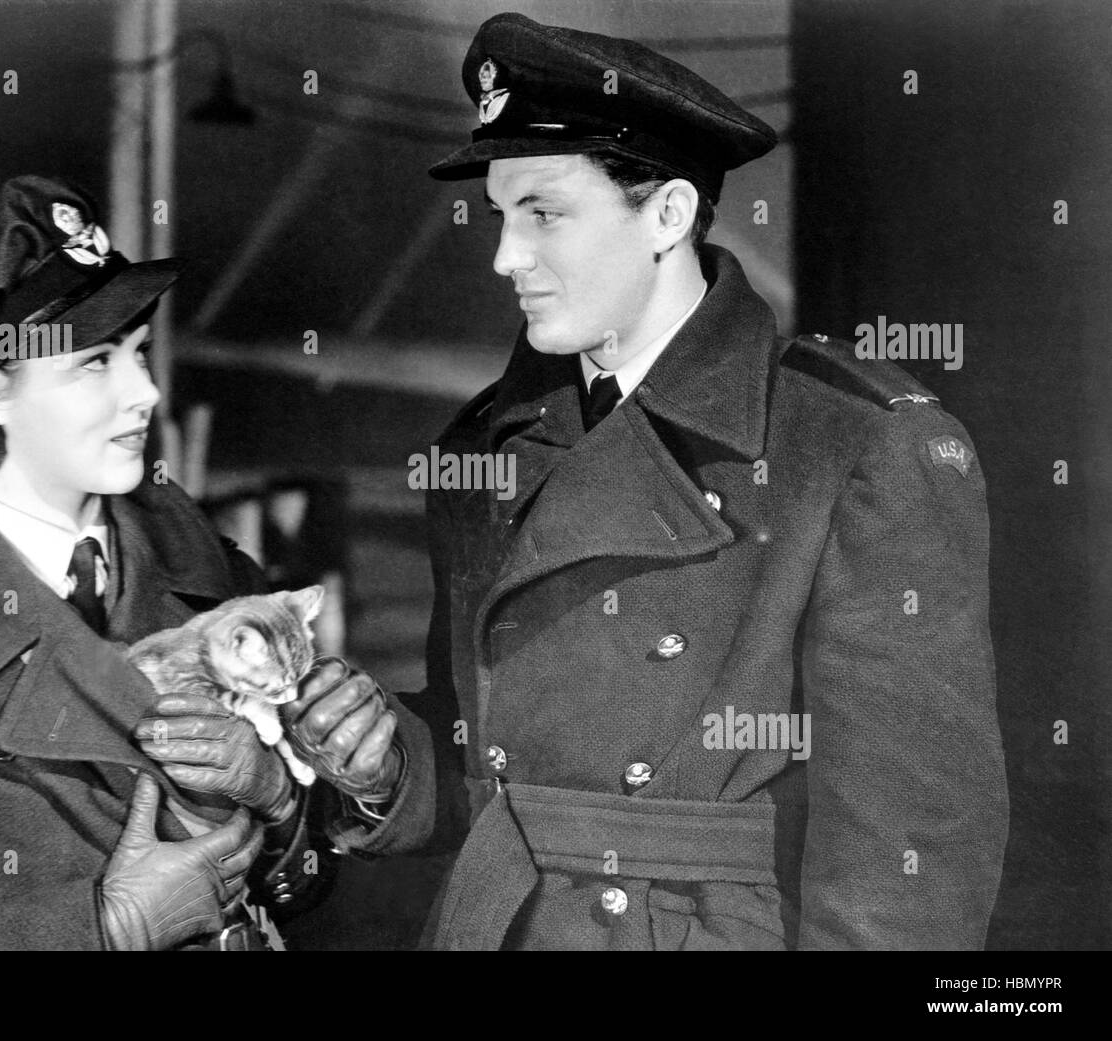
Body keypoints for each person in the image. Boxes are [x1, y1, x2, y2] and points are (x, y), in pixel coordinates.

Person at [372, 12, 1009, 949]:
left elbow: (912, 856)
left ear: (667, 215)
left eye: (544, 212)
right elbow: (486, 764)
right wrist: (367, 755)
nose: (506, 256)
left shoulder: (848, 446)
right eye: (501, 215)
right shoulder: (487, 448)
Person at [0, 175, 418, 950]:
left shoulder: (218, 580)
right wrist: (101, 927)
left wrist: (279, 803)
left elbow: (309, 887)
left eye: (137, 352)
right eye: (95, 363)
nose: (147, 391)